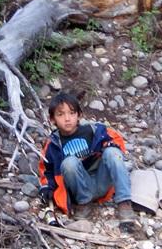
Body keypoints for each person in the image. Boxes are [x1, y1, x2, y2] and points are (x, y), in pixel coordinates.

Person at [38, 90, 136, 230]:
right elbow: (46, 169)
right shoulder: (53, 144)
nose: (67, 119)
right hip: (79, 188)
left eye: (72, 113)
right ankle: (84, 204)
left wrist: (110, 145)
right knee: (69, 163)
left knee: (113, 152)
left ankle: (124, 202)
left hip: (101, 181)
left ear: (79, 115)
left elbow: (117, 140)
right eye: (61, 114)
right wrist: (46, 187)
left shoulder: (93, 130)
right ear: (52, 120)